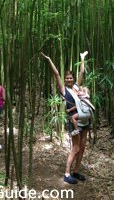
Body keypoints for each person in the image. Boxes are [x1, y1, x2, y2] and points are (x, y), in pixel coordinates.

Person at [40, 51, 90, 184]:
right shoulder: (63, 90)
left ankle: (76, 171)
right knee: (76, 148)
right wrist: (49, 58)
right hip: (73, 120)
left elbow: (82, 72)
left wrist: (82, 58)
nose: (69, 80)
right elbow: (56, 73)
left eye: (70, 78)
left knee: (83, 147)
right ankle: (67, 173)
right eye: (67, 78)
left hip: (84, 118)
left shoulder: (75, 87)